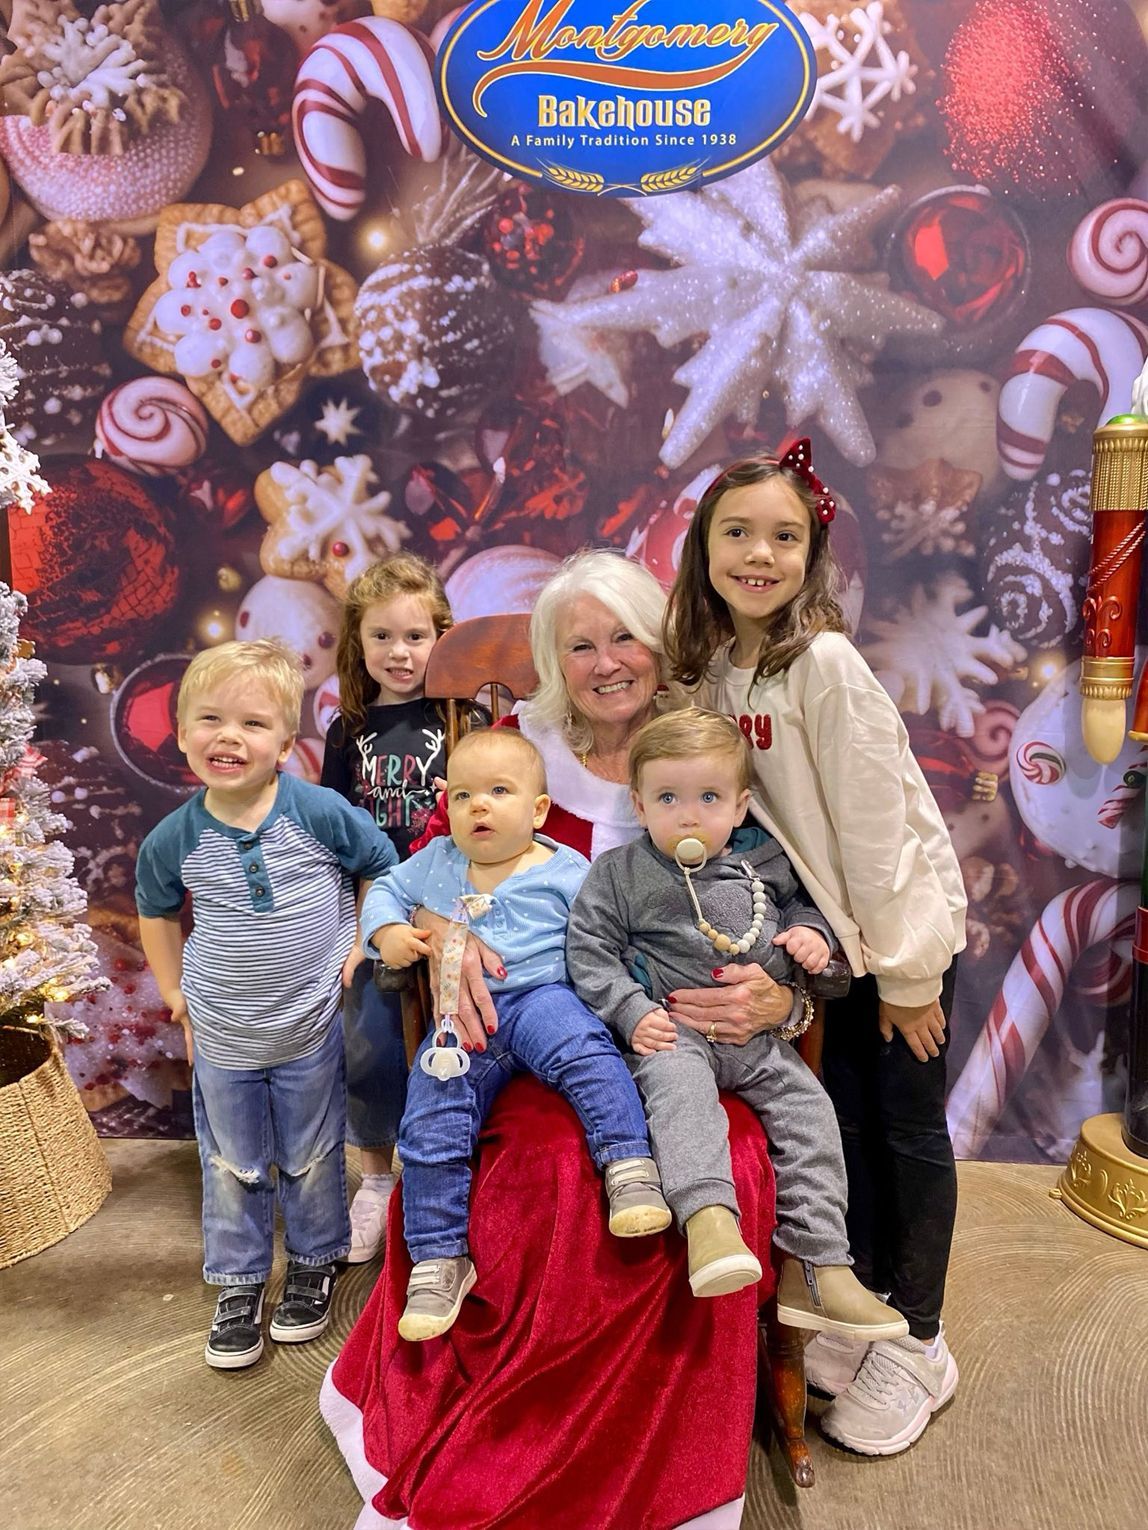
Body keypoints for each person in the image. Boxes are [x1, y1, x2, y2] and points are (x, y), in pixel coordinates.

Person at [320, 551, 803, 1528]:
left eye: (624, 635)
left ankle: (656, 1443)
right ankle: (493, 1409)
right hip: (523, 1016)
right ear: (551, 657)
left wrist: (776, 994)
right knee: (531, 1172)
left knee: (714, 1159)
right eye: (577, 644)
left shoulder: (698, 750)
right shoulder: (515, 752)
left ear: (658, 643)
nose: (604, 660)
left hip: (678, 1024)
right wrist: (441, 939)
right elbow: (440, 873)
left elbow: (774, 901)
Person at [665, 439, 967, 1456]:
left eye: (783, 536)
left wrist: (909, 972)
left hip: (895, 936)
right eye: (736, 532)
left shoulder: (822, 665)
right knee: (842, 1130)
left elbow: (879, 834)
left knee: (907, 1133)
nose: (758, 553)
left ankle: (922, 1340)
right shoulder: (717, 669)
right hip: (828, 951)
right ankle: (871, 1300)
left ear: (813, 552)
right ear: (702, 546)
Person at [568, 707, 908, 1348]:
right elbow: (589, 948)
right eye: (668, 798)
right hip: (676, 1031)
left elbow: (811, 905)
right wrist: (630, 1009)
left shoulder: (765, 864)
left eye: (709, 797)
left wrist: (811, 934)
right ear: (639, 806)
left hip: (758, 1040)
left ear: (741, 804)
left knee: (810, 1108)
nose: (688, 815)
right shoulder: (620, 873)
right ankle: (709, 1222)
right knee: (679, 1092)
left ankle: (820, 1266)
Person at [136, 640, 398, 1370]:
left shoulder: (317, 811)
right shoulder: (175, 838)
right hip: (223, 1028)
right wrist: (171, 991)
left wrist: (362, 939)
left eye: (251, 724)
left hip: (309, 1020)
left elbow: (380, 866)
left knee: (313, 1154)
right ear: (183, 732)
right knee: (232, 1161)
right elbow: (155, 911)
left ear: (286, 743)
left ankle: (314, 1261)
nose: (228, 737)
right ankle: (239, 1280)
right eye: (210, 719)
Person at [361, 726, 671, 1341]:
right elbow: (387, 892)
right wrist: (387, 933)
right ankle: (438, 1256)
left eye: (498, 791)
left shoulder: (566, 868)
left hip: (541, 997)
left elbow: (610, 934)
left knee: (587, 1053)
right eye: (463, 795)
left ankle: (629, 1166)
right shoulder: (438, 863)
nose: (478, 806)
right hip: (458, 1016)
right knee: (428, 1117)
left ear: (536, 810)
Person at [322, 553, 484, 1263]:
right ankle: (378, 1178)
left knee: (464, 1029)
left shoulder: (465, 716)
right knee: (373, 1032)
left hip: (456, 893)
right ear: (358, 645)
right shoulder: (346, 730)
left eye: (416, 636)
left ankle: (458, 1164)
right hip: (375, 900)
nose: (400, 652)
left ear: (442, 636)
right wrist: (354, 930)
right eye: (381, 637)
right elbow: (336, 835)